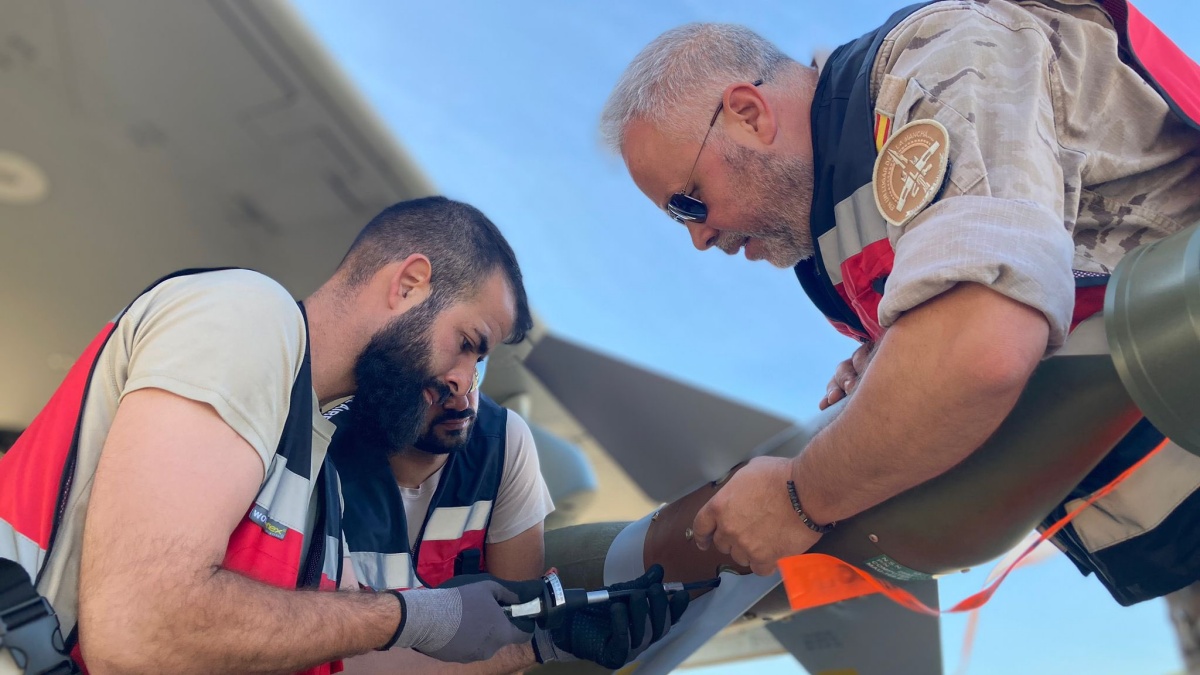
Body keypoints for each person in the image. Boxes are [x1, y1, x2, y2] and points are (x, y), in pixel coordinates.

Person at [600, 1, 1200, 606]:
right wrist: (897, 357)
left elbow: (978, 352)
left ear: (749, 114)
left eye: (689, 202)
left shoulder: (943, 58)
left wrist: (798, 497)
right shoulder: (838, 229)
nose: (700, 238)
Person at [0, 197, 551, 674]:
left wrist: (538, 643)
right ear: (409, 284)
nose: (464, 382)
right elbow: (139, 630)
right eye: (467, 343)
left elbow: (337, 656)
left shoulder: (321, 482)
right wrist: (410, 614)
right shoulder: (249, 316)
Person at [330, 360, 690, 674]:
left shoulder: (501, 439)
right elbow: (325, 661)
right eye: (447, 351)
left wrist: (533, 643)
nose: (464, 385)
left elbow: (518, 626)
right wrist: (542, 645)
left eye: (478, 355)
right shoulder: (320, 454)